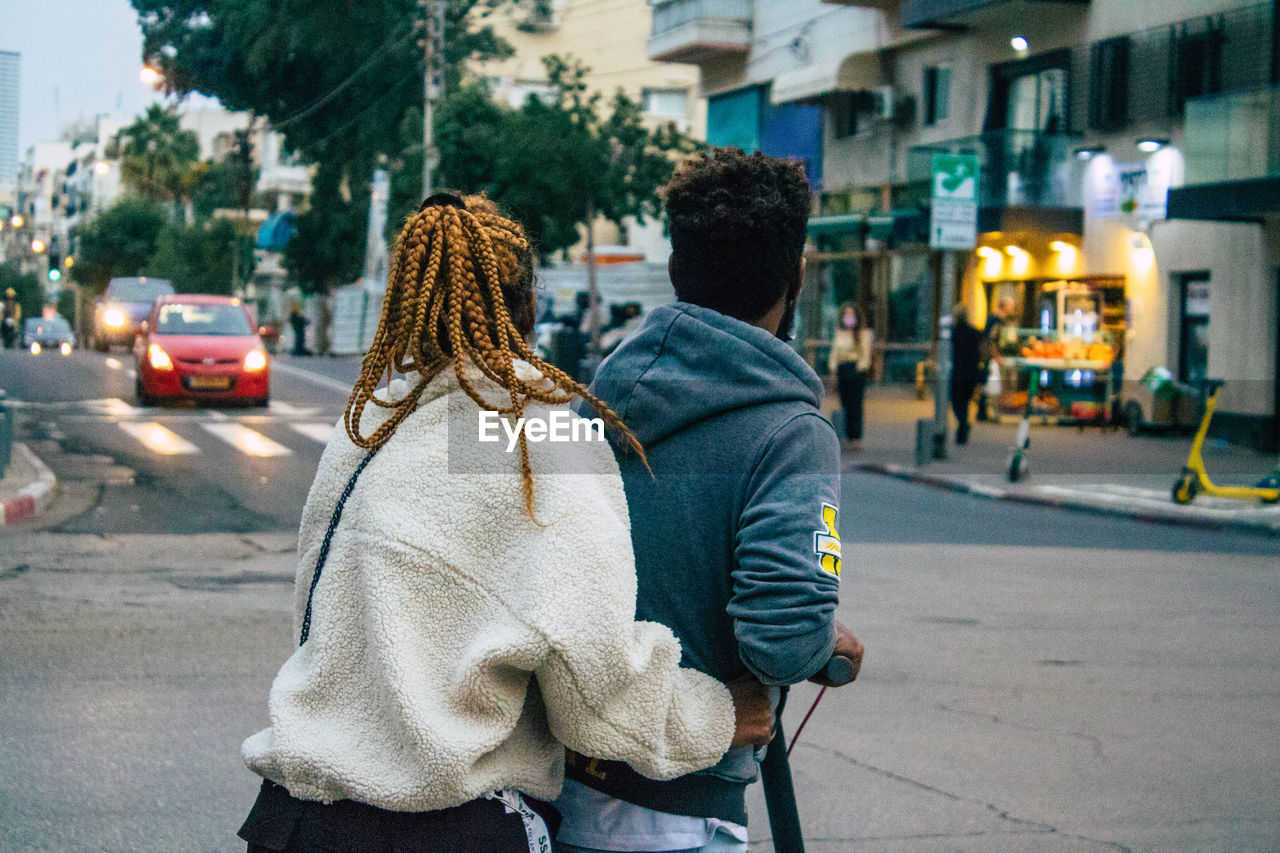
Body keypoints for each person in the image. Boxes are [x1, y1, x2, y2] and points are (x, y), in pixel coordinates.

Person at [237, 193, 774, 853]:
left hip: (296, 821)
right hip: (447, 827)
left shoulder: (370, 422)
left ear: (404, 304)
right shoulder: (534, 433)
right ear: (531, 308)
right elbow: (595, 691)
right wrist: (718, 715)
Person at [556, 148, 865, 853]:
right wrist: (821, 640)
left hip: (566, 790)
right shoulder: (793, 434)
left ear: (675, 271)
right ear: (797, 277)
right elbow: (782, 638)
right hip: (683, 810)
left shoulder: (597, 407)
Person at [828, 302, 873, 452]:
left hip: (855, 369)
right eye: (846, 314)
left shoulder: (862, 334)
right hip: (842, 369)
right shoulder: (839, 333)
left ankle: (856, 438)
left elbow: (865, 354)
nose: (849, 317)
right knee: (844, 404)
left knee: (856, 405)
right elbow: (834, 353)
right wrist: (833, 371)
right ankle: (846, 436)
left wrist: (860, 369)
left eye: (851, 314)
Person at [977, 295, 1015, 421]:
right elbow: (992, 339)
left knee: (986, 384)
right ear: (1005, 306)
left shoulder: (993, 318)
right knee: (990, 384)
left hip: (987, 356)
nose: (1012, 309)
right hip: (990, 357)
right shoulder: (997, 320)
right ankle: (988, 412)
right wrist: (996, 356)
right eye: (1011, 307)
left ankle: (983, 412)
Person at [950, 303, 983, 445]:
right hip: (972, 371)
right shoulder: (974, 333)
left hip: (958, 372)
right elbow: (981, 350)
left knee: (957, 401)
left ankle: (963, 424)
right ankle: (963, 425)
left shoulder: (953, 333)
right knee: (966, 401)